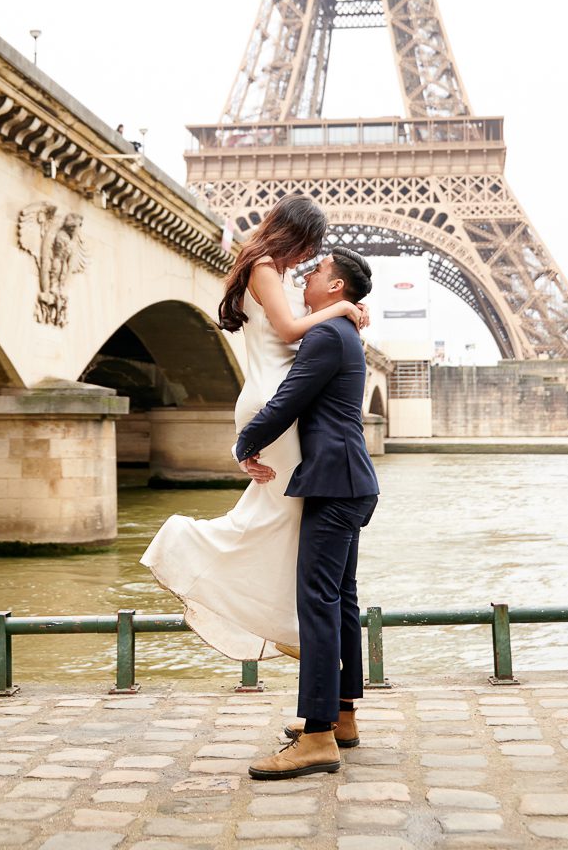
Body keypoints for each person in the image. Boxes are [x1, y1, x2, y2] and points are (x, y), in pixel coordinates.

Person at [140, 195, 364, 660]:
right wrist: (341, 310)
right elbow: (287, 330)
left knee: (279, 514)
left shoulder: (264, 268)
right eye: (308, 246)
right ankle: (190, 551)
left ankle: (287, 620)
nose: (307, 260)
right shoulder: (265, 265)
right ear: (294, 233)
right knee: (286, 516)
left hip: (266, 396)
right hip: (275, 400)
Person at [234, 247, 379, 780]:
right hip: (350, 482)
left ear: (336, 288)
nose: (305, 278)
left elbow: (287, 401)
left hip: (334, 486)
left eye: (316, 272)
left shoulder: (324, 335)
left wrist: (244, 445)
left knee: (316, 604)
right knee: (340, 601)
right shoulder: (343, 333)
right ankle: (342, 717)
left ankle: (317, 737)